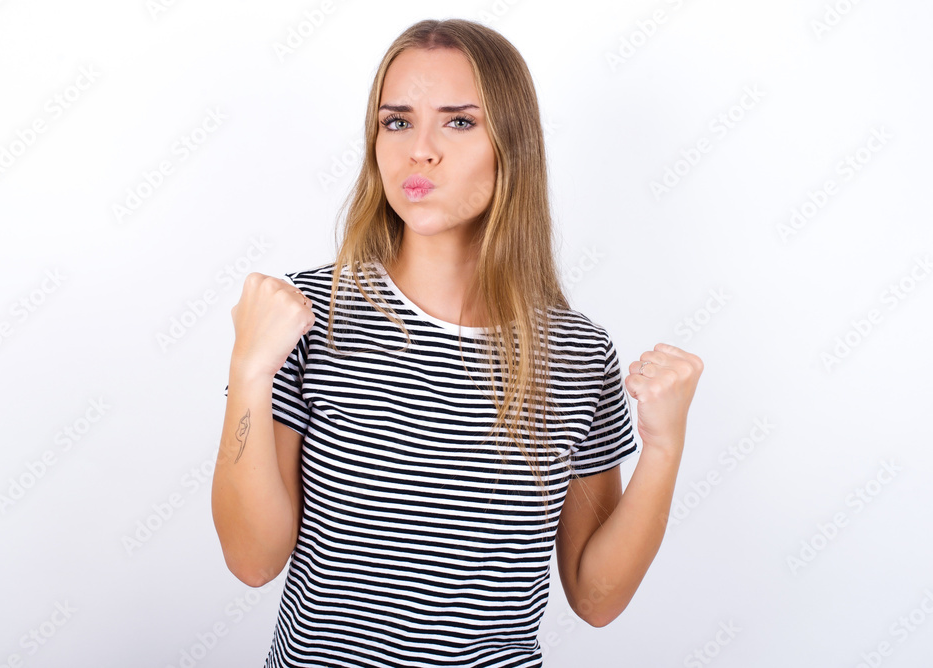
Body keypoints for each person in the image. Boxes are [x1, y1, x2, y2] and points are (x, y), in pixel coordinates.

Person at [211, 17, 702, 668]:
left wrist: (664, 447)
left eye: (458, 121)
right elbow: (251, 561)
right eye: (397, 121)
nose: (421, 150)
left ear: (512, 144)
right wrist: (250, 370)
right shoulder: (307, 315)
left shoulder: (578, 355)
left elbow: (596, 597)